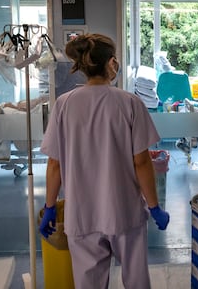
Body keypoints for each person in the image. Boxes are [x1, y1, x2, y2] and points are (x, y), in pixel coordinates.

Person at [39, 33, 170, 289]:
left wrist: (50, 206)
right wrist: (154, 207)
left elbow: (54, 164)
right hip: (124, 213)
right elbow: (142, 162)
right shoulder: (130, 103)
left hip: (82, 215)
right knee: (136, 281)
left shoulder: (63, 105)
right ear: (111, 63)